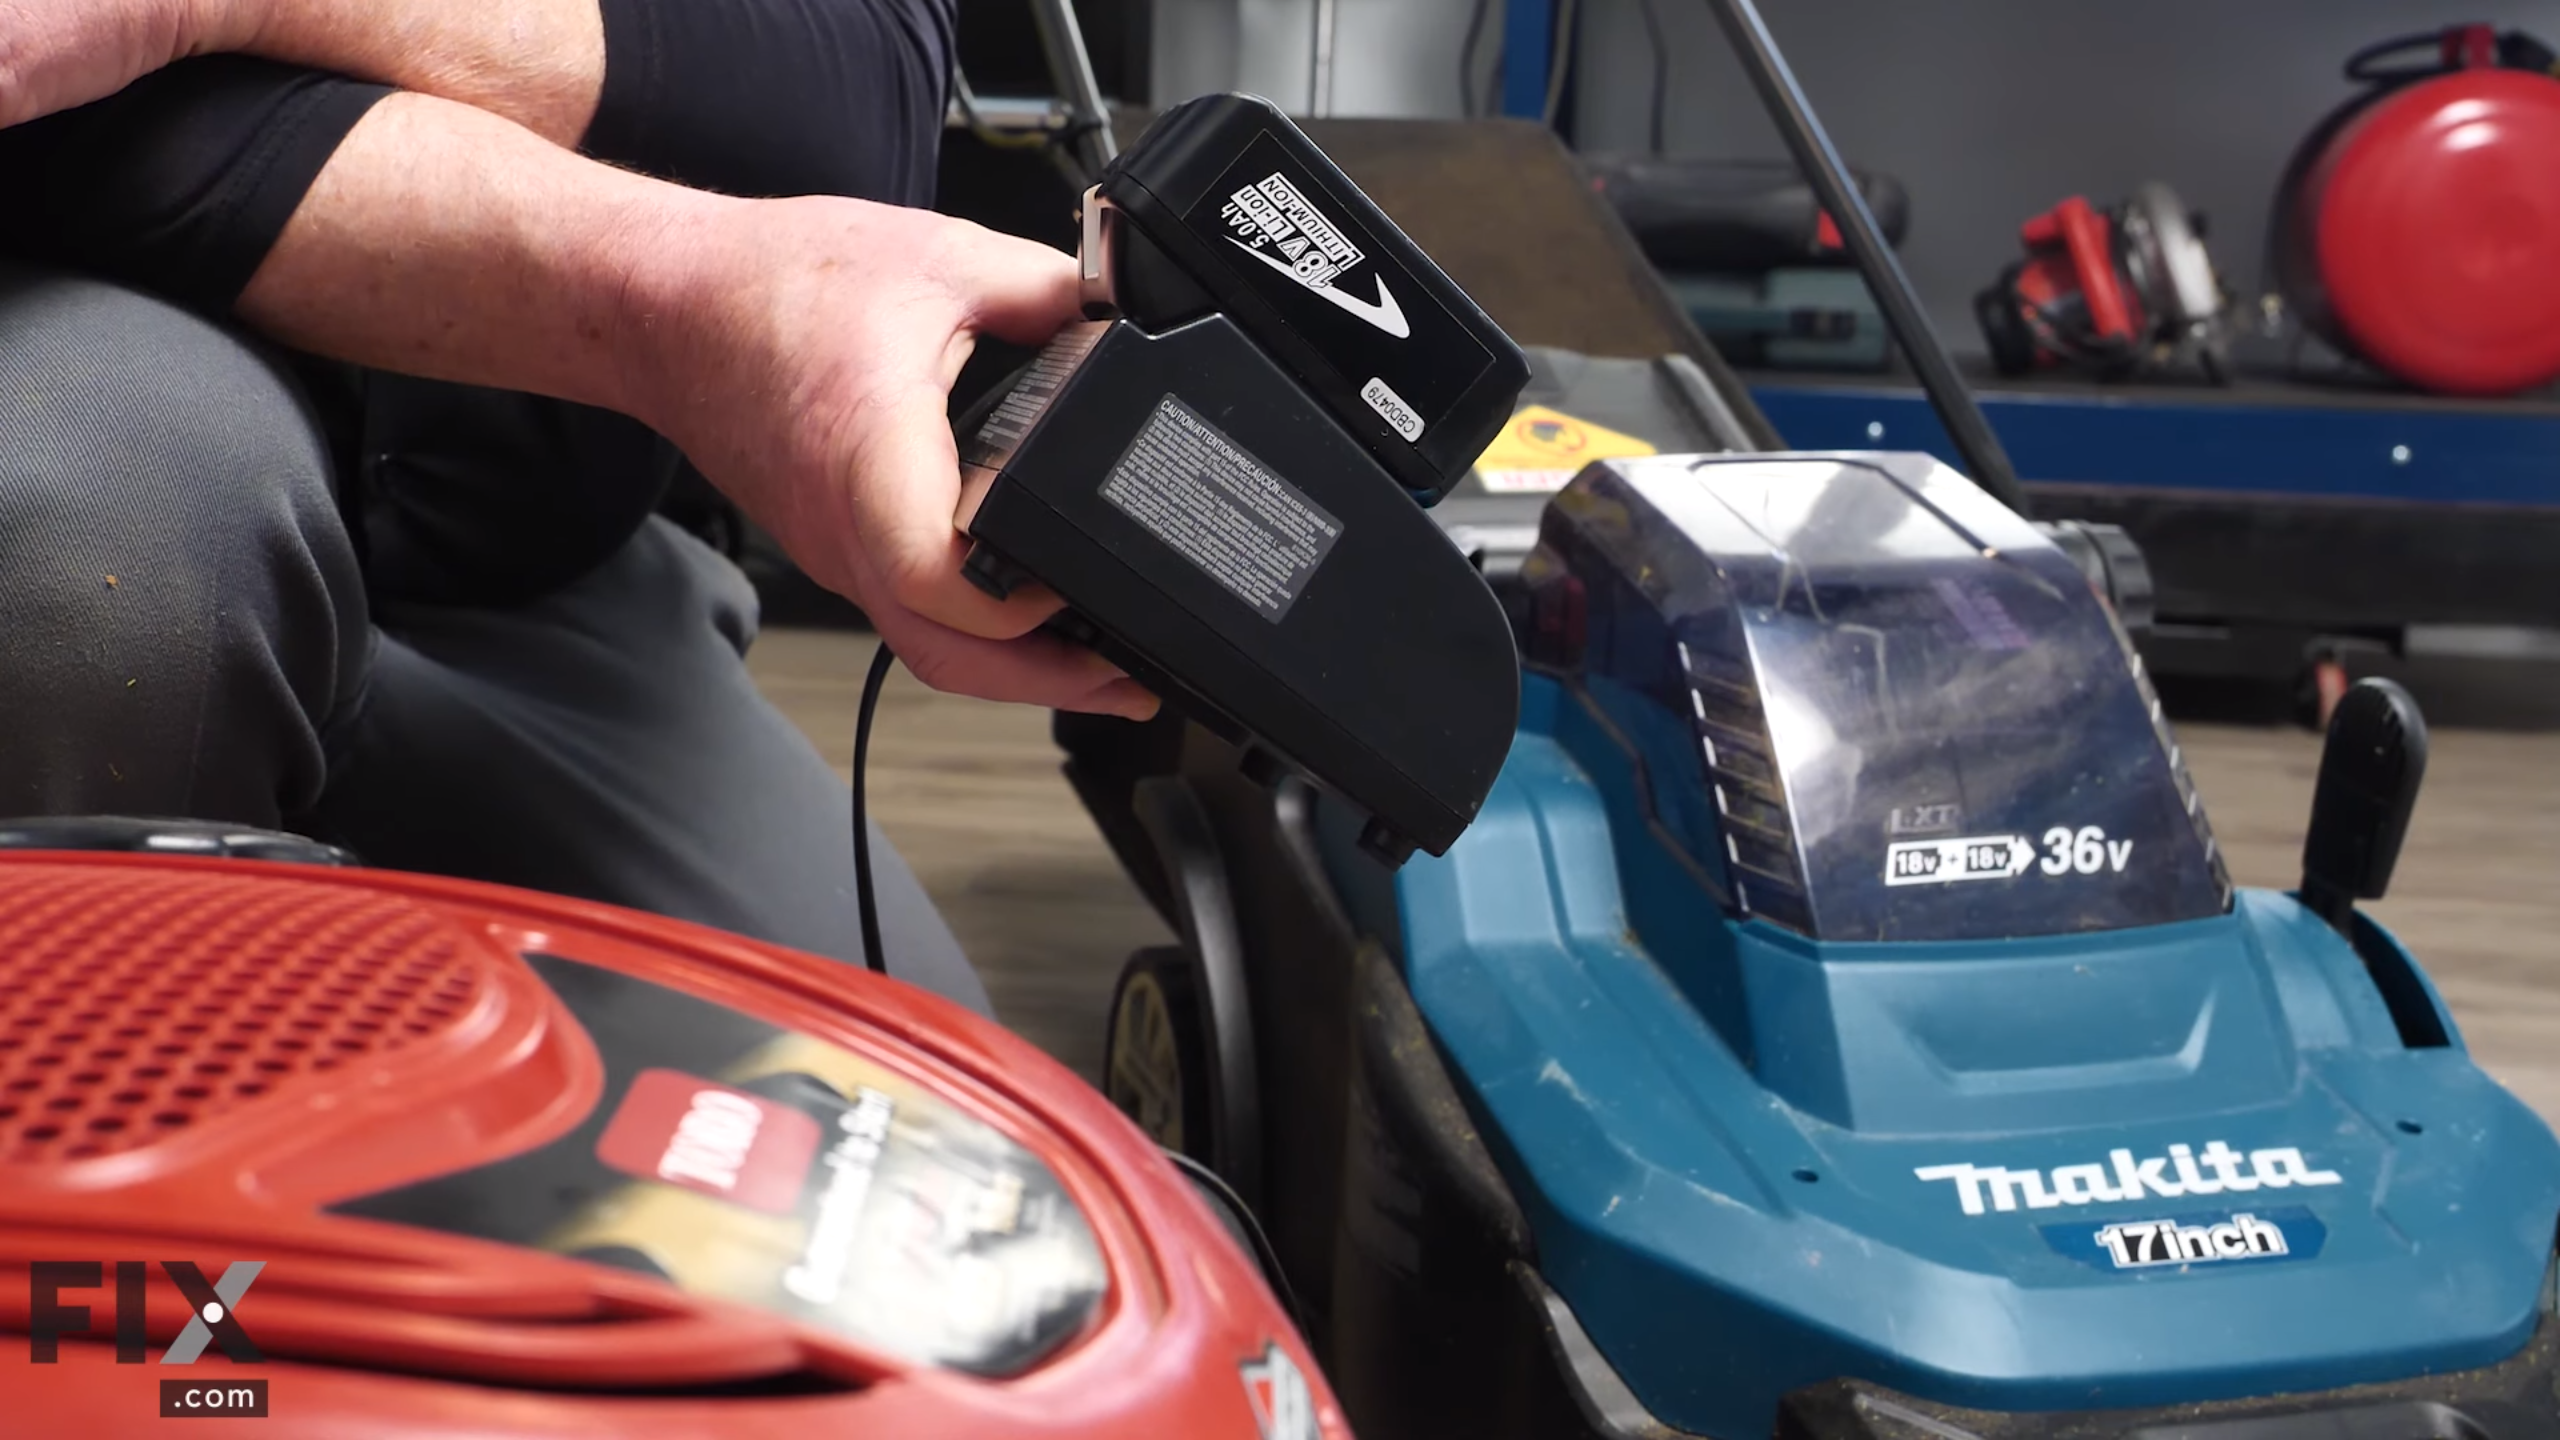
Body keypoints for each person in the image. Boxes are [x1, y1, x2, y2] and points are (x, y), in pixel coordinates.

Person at [0, 0, 1155, 1011]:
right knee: (88, 535)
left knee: (897, 1158)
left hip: (535, 565)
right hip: (108, 454)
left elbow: (842, 107)